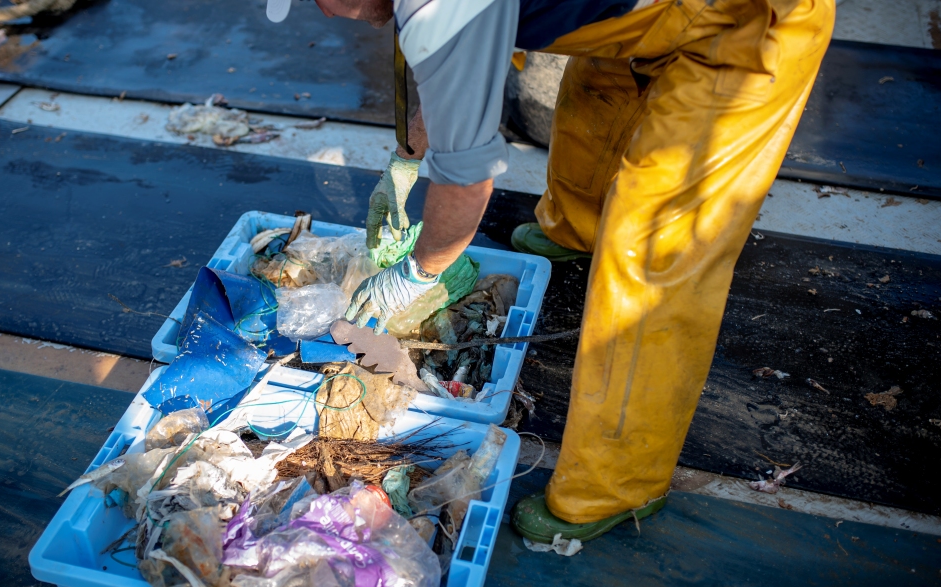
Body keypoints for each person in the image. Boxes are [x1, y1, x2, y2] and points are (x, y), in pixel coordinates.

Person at [265, 0, 833, 543]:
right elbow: (450, 78)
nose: (322, 13)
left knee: (654, 250)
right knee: (597, 94)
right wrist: (408, 161)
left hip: (746, 27)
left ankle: (615, 485)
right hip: (644, 18)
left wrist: (418, 271)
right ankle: (578, 231)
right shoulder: (437, 13)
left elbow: (467, 177)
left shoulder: (445, 7)